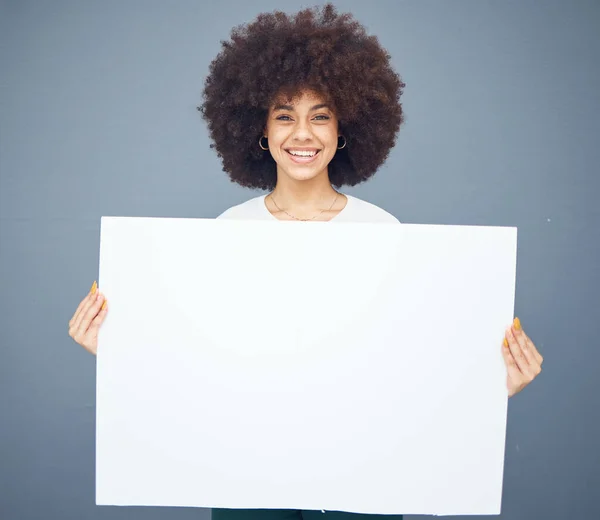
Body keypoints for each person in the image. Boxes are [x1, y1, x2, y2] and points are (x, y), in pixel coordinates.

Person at [68, 4, 544, 520]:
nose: (302, 134)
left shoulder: (384, 233)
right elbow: (199, 358)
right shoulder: (227, 232)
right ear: (260, 131)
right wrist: (119, 351)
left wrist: (493, 380)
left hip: (365, 471)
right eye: (284, 116)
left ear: (344, 130)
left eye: (320, 116)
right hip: (246, 468)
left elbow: (411, 363)